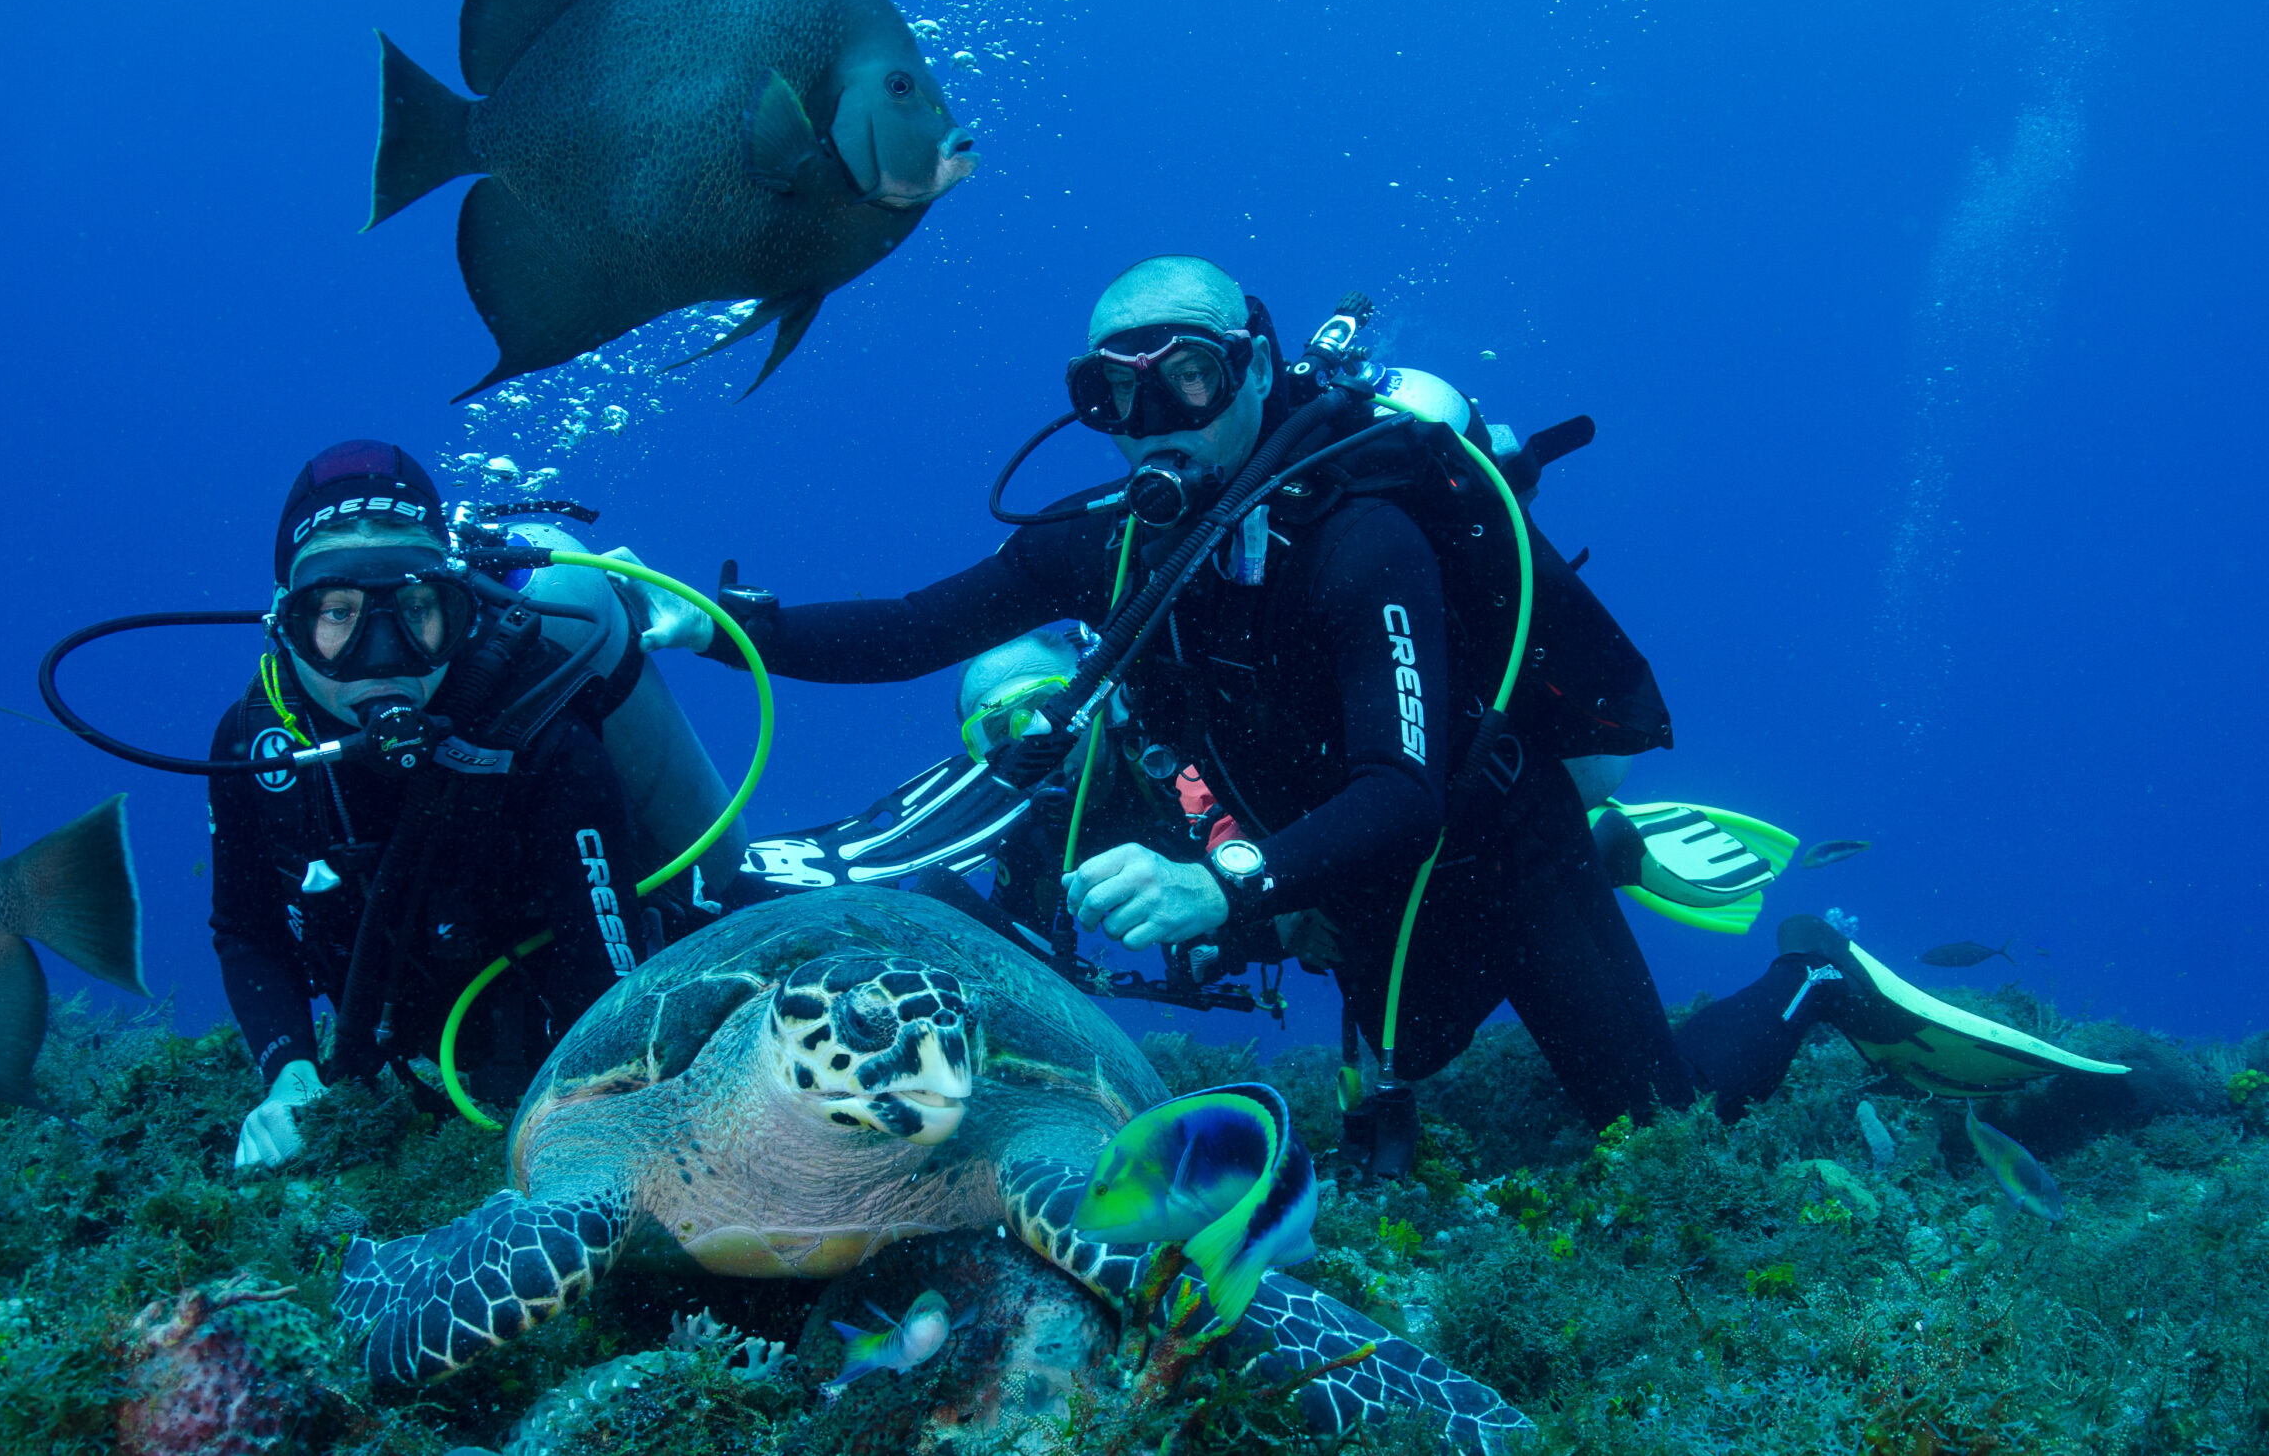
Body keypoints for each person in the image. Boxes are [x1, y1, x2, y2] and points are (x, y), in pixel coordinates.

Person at [647, 257, 2114, 1136]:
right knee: (1393, 1086)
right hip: (1348, 874)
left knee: (1646, 1119)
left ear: (1260, 366)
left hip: (1488, 836)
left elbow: (1408, 785)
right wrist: (701, 622)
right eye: (1117, 392)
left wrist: (1226, 888)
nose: (1158, 418)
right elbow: (911, 629)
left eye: (1193, 374)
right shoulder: (1117, 541)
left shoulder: (1363, 532)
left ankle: (1811, 974)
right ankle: (1442, 1009)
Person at [211, 440, 731, 1170]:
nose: (381, 654)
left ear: (460, 607)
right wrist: (291, 1072)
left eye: (416, 608)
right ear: (285, 624)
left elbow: (602, 994)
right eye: (337, 613)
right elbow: (247, 928)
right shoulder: (256, 746)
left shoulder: (540, 732)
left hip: (556, 1030)